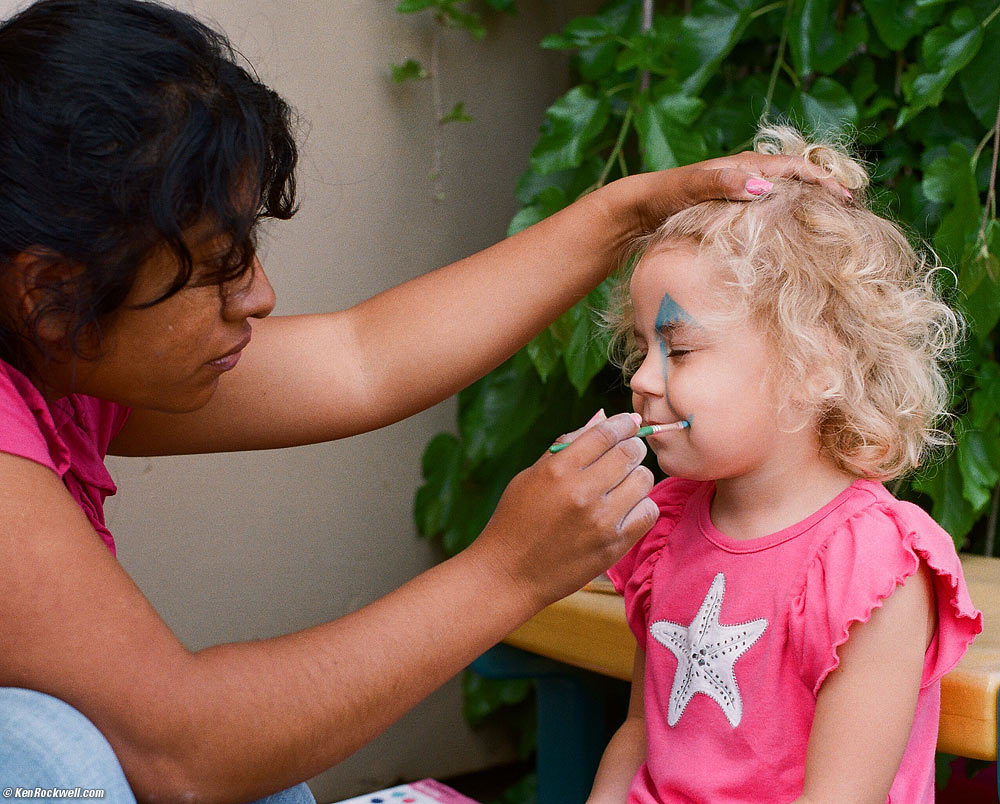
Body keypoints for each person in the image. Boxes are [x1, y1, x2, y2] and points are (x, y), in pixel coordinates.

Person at [0, 1, 852, 802]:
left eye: (686, 346)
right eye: (219, 265)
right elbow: (185, 750)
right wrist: (507, 572)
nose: (258, 295)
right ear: (51, 291)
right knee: (55, 755)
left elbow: (362, 358)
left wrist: (630, 207)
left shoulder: (64, 356)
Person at [587, 126, 984, 804]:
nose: (643, 380)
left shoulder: (870, 565)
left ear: (814, 367)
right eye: (641, 349)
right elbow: (639, 736)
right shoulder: (669, 525)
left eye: (678, 351)